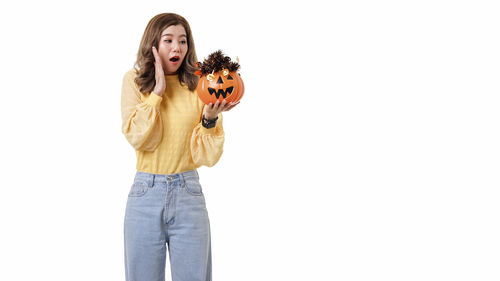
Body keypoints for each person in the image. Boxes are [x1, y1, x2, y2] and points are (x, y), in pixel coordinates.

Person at [121, 13, 239, 281]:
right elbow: (138, 137)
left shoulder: (200, 84)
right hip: (144, 194)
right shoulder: (134, 80)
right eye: (169, 40)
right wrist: (157, 93)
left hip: (188, 194)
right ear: (153, 44)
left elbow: (206, 157)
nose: (177, 47)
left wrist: (209, 119)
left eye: (183, 41)